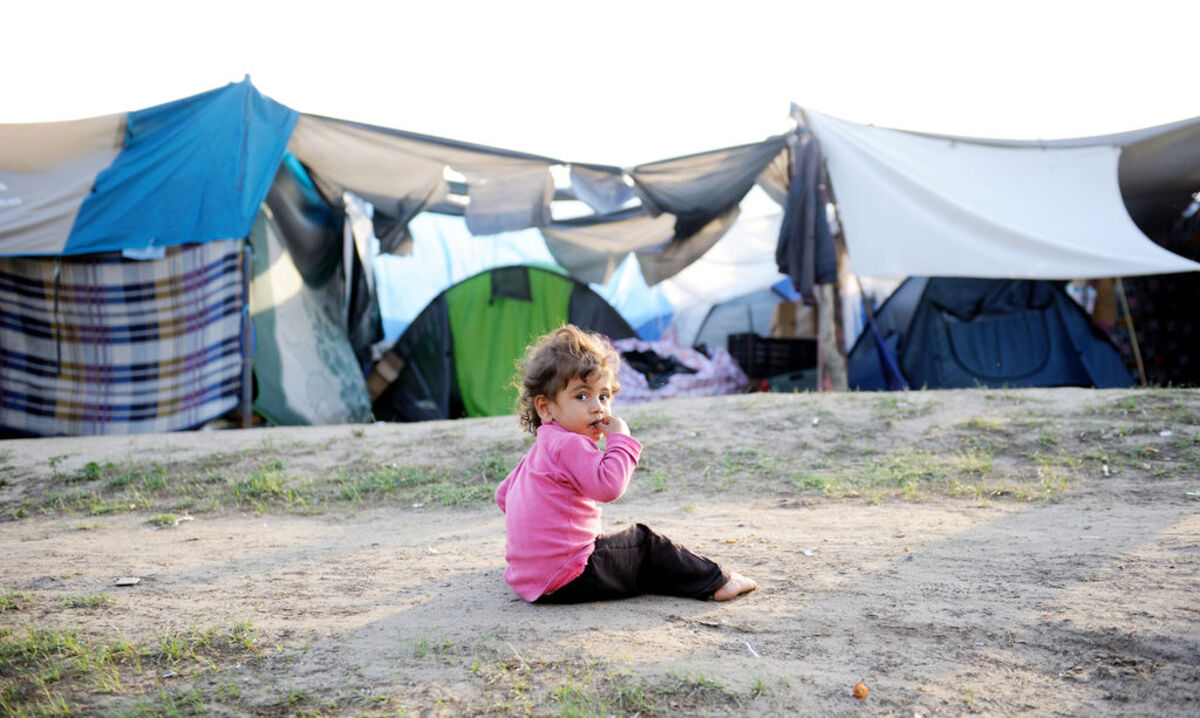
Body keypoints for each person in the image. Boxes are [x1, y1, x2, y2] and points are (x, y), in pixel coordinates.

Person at [495, 324, 757, 604]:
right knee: (645, 545)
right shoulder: (570, 443)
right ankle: (717, 580)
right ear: (545, 408)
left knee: (626, 554)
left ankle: (550, 564)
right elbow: (609, 487)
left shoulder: (541, 450)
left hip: (529, 578)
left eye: (604, 396)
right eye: (581, 396)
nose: (597, 407)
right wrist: (620, 440)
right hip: (571, 577)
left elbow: (503, 496)